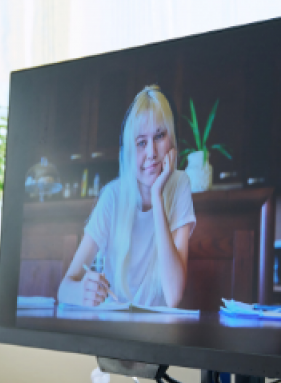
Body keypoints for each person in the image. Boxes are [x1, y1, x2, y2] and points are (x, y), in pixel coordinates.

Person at [57, 85, 195, 308]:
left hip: (158, 334)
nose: (151, 152)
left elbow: (174, 296)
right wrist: (82, 292)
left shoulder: (179, 184)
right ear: (130, 150)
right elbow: (63, 289)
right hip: (116, 328)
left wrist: (157, 195)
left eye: (159, 136)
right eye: (141, 142)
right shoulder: (113, 196)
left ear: (171, 141)